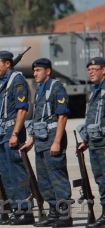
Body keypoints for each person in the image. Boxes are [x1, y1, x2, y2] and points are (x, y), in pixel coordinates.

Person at [19, 58, 72, 227]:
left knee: (57, 178)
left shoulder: (56, 88)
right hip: (41, 142)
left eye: (38, 70)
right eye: (34, 70)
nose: (35, 73)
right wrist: (31, 140)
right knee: (44, 180)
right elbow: (39, 118)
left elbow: (62, 116)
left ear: (48, 71)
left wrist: (56, 142)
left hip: (52, 140)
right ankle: (53, 212)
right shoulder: (40, 89)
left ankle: (65, 216)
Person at [0, 51, 33, 225]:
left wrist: (15, 133)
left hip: (12, 133)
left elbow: (22, 109)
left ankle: (25, 210)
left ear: (8, 64)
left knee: (17, 172)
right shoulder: (1, 83)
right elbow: (0, 111)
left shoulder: (17, 80)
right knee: (6, 174)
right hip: (1, 134)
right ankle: (15, 209)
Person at [77, 57, 105, 228]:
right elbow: (91, 119)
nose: (91, 72)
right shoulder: (93, 91)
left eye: (95, 69)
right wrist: (85, 141)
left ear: (104, 70)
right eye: (89, 69)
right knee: (100, 180)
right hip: (95, 145)